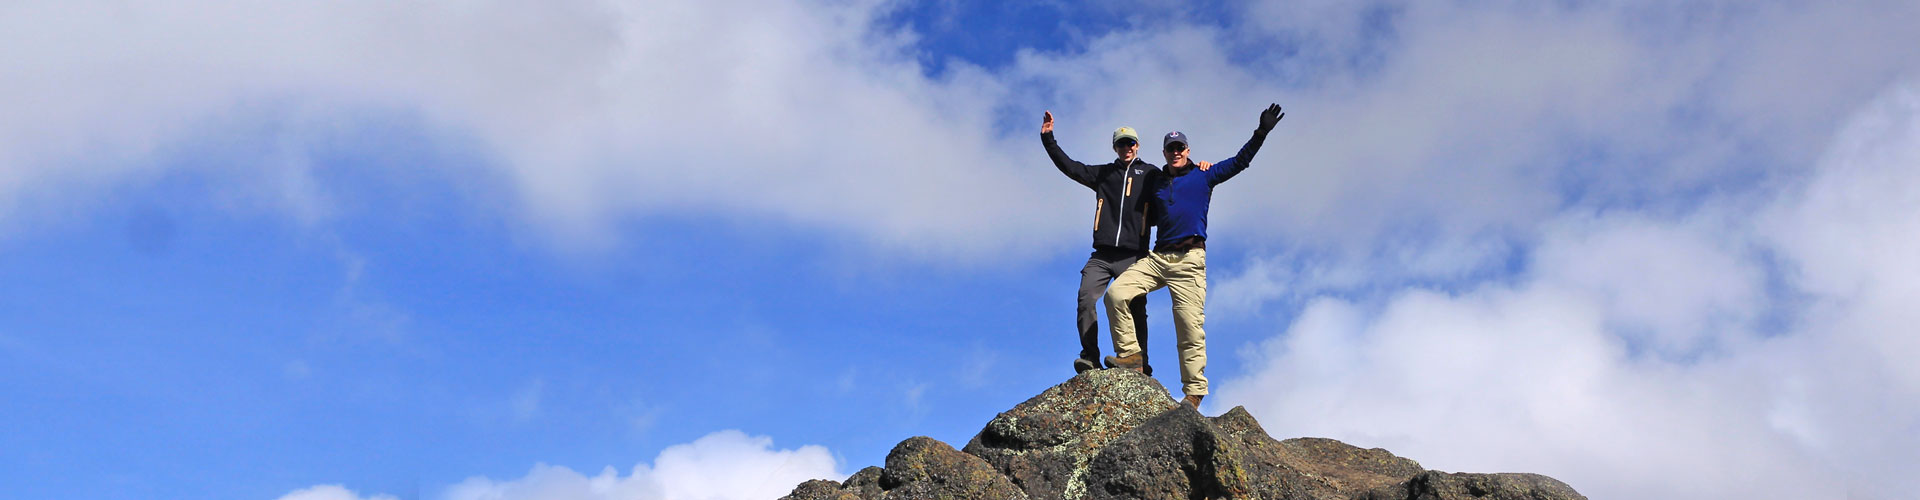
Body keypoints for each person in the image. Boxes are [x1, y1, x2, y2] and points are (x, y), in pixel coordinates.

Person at [1104, 103, 1285, 410]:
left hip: (1189, 261)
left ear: (1187, 150)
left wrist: (1262, 131)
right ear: (1164, 153)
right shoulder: (1157, 182)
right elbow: (1131, 197)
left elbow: (1240, 161)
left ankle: (1194, 392)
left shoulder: (1204, 176)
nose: (1175, 152)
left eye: (1179, 147)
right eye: (1170, 149)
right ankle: (1132, 357)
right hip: (1158, 259)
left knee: (1188, 327)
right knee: (1116, 294)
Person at [1041, 110, 1159, 375]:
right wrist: (1049, 139)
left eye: (1130, 143)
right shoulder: (1104, 174)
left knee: (1136, 307)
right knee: (1085, 298)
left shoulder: (1150, 174)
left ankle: (1140, 362)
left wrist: (1199, 167)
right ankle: (1090, 357)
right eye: (1121, 143)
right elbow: (1070, 167)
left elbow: (1174, 187)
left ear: (1137, 146)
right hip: (1102, 255)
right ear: (1115, 147)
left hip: (1134, 255)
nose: (1126, 147)